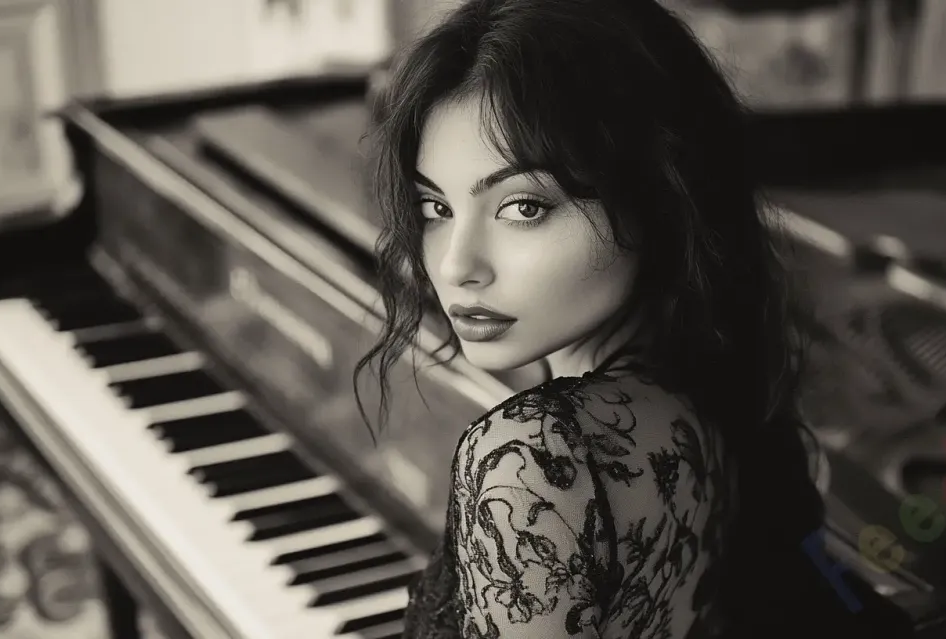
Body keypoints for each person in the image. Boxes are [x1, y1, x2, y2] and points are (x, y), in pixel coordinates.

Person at [354, 0, 904, 636]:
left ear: (659, 200)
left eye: (524, 207)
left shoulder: (532, 456)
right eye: (436, 207)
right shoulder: (704, 399)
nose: (455, 266)